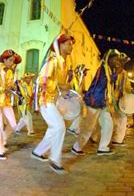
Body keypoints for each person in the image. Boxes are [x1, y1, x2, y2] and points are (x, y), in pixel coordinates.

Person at [31, 34, 74, 174]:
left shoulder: (63, 63)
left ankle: (38, 152)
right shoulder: (53, 61)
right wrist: (59, 86)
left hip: (52, 100)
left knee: (53, 128)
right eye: (68, 43)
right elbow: (41, 81)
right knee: (60, 127)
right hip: (44, 99)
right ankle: (55, 160)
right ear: (60, 46)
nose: (71, 46)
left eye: (71, 44)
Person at [71, 49, 120, 157]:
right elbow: (103, 83)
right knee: (89, 127)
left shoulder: (108, 70)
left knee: (108, 124)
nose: (117, 61)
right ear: (109, 59)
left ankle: (103, 148)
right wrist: (117, 73)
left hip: (103, 102)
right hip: (95, 101)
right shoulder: (102, 69)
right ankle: (76, 147)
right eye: (115, 59)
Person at [0, 49, 21, 160]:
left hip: (6, 101)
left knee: (13, 124)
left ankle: (1, 140)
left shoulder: (11, 72)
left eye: (13, 61)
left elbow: (10, 85)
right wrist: (2, 89)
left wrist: (13, 87)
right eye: (10, 60)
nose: (12, 63)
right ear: (4, 60)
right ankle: (0, 149)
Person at [111, 53, 131, 146]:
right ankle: (97, 137)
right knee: (111, 119)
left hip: (121, 99)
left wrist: (127, 91)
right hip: (111, 98)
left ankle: (118, 139)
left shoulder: (125, 73)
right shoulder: (111, 71)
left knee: (122, 118)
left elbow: (127, 86)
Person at [66, 64, 90, 136]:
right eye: (85, 71)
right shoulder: (74, 79)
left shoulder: (82, 79)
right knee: (78, 114)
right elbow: (70, 88)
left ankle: (77, 129)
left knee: (80, 114)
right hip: (74, 99)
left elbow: (82, 90)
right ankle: (72, 128)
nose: (86, 73)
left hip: (79, 98)